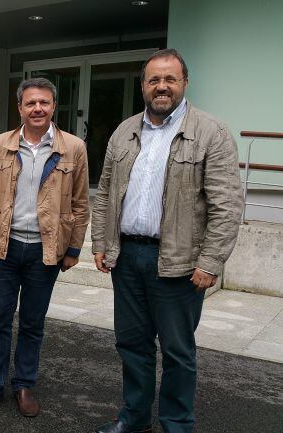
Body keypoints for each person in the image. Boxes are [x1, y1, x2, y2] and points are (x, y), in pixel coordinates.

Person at [91, 49, 243, 433]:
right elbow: (106, 191)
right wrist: (100, 242)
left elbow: (227, 204)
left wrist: (210, 262)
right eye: (154, 80)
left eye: (170, 79)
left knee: (177, 352)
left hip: (179, 264)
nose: (162, 87)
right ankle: (135, 419)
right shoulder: (124, 131)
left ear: (184, 83)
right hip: (126, 258)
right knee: (131, 346)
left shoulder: (212, 132)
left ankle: (177, 424)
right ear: (143, 85)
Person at [0, 78, 90, 417]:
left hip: (45, 251)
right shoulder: (1, 145)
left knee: (33, 322)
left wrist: (74, 249)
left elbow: (80, 203)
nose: (38, 108)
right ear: (20, 108)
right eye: (31, 103)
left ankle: (23, 386)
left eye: (44, 103)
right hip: (5, 246)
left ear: (53, 107)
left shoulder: (73, 147)